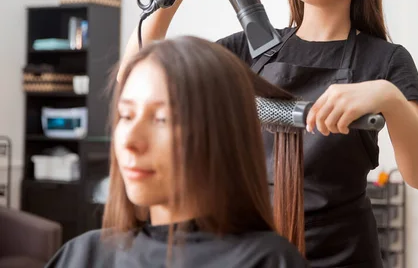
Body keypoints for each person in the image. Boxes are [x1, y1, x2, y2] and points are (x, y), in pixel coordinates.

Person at [118, 0, 418, 268]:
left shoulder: (385, 61)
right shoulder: (250, 49)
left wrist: (390, 98)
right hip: (249, 252)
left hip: (342, 255)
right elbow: (134, 79)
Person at [46, 36, 309, 268]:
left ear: (219, 134)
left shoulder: (267, 261)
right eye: (126, 115)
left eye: (162, 119)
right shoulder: (83, 255)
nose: (130, 142)